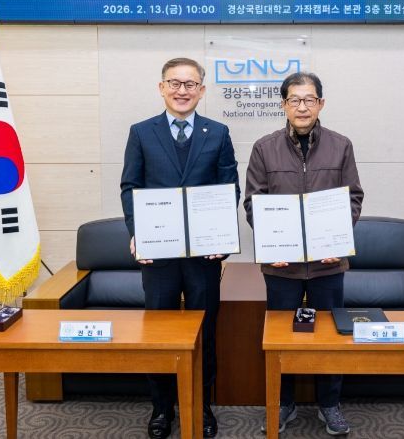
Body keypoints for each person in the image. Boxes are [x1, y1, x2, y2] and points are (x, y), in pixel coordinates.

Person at [120, 57, 238, 439]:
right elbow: (130, 187)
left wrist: (222, 236)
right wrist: (137, 232)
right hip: (158, 254)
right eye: (174, 83)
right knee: (159, 333)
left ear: (202, 90)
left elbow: (229, 188)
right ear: (162, 88)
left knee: (205, 331)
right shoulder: (141, 132)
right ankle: (161, 408)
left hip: (203, 256)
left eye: (190, 84)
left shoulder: (218, 133)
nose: (182, 90)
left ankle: (201, 404)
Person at [244, 72, 363, 436]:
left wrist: (337, 241)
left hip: (328, 264)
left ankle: (330, 404)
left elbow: (353, 198)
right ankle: (284, 402)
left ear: (320, 104)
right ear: (283, 105)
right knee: (283, 337)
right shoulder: (264, 148)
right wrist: (271, 244)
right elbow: (253, 202)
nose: (302, 107)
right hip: (282, 266)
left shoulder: (341, 145)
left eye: (309, 99)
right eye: (294, 100)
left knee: (330, 335)